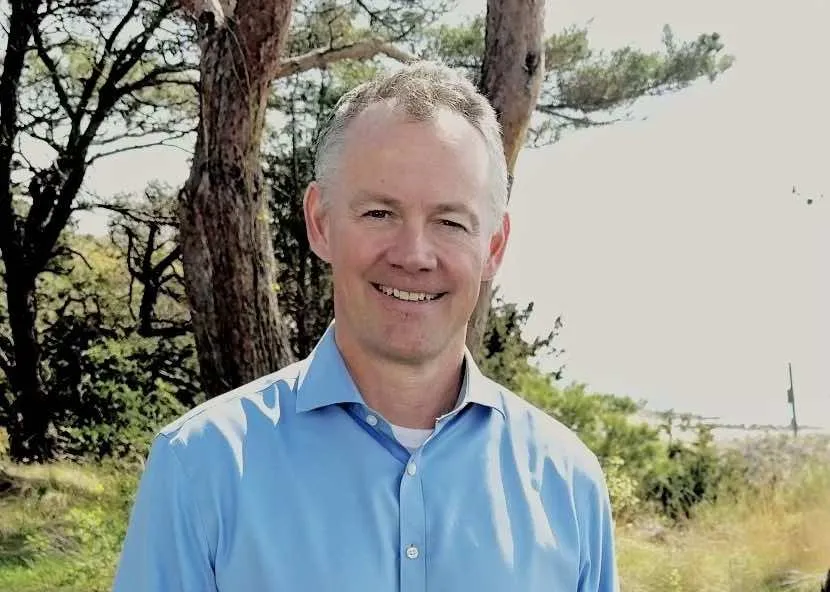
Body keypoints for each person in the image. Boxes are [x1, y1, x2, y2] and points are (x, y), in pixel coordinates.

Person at [113, 61, 619, 591]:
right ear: (320, 222)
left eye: (450, 222)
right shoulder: (200, 467)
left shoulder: (569, 486)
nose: (414, 255)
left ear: (493, 246)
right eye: (380, 213)